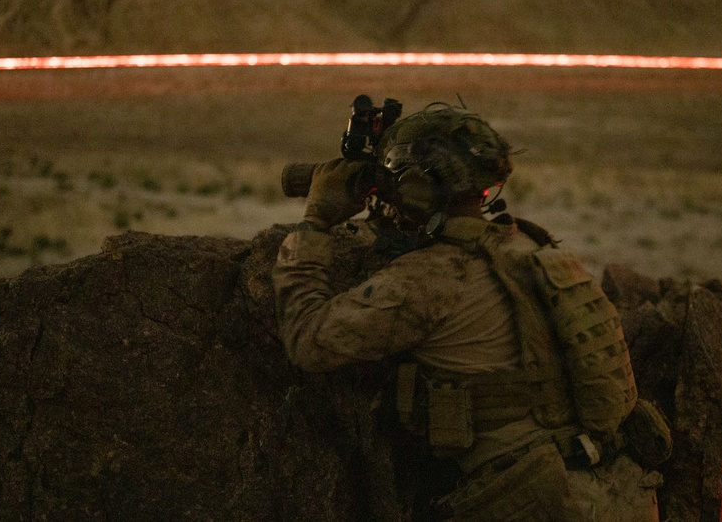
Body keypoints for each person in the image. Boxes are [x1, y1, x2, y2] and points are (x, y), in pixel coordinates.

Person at [272, 102, 664, 521]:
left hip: (534, 502)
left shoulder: (430, 279)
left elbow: (308, 340)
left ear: (417, 187)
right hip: (619, 491)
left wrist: (315, 218)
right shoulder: (531, 245)